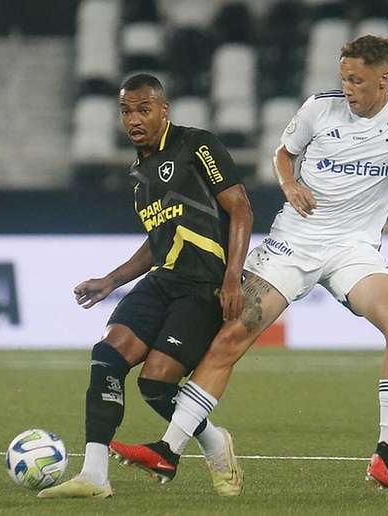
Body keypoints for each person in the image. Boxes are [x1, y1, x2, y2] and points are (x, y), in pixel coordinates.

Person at [110, 35, 388, 490]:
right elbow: (282, 154)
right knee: (230, 337)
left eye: (357, 80)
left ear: (383, 78)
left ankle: (386, 452)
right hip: (291, 245)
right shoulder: (319, 108)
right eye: (344, 78)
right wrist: (290, 185)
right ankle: (168, 452)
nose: (348, 88)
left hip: (354, 250)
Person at [38, 73, 253, 499]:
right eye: (125, 111)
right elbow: (158, 242)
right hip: (162, 282)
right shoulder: (139, 172)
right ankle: (94, 476)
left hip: (202, 286)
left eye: (143, 108)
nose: (133, 118)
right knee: (106, 356)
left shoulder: (197, 145)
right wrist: (112, 280)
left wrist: (232, 277)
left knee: (155, 385)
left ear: (163, 109)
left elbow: (241, 207)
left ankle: (213, 440)